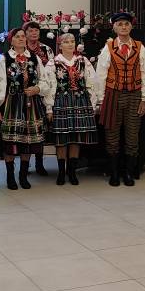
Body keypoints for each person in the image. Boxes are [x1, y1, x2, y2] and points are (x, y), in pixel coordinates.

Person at [94, 11, 145, 187]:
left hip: (134, 95)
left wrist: (143, 98)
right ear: (114, 27)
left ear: (131, 27)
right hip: (113, 95)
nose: (123, 27)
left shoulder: (139, 47)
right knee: (112, 134)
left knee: (132, 135)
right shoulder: (109, 47)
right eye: (120, 24)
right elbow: (100, 75)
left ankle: (129, 173)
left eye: (126, 24)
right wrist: (101, 100)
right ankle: (114, 173)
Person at [0, 27, 54, 190]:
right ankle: (10, 176)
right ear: (11, 40)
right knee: (10, 142)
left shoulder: (34, 58)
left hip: (31, 103)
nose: (21, 39)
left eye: (23, 36)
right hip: (11, 103)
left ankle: (23, 175)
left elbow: (44, 80)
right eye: (17, 36)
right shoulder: (3, 59)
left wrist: (37, 89)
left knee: (28, 141)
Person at [51, 33, 98, 186]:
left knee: (76, 138)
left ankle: (72, 172)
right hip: (61, 102)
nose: (70, 44)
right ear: (60, 45)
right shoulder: (53, 63)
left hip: (80, 101)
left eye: (72, 41)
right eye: (66, 42)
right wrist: (49, 107)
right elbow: (50, 86)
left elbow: (92, 82)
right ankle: (61, 172)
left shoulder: (83, 61)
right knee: (61, 139)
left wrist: (93, 103)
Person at [24, 20, 55, 175]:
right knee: (26, 129)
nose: (34, 33)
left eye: (36, 30)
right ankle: (25, 163)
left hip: (43, 91)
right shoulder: (21, 48)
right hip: (26, 93)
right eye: (30, 30)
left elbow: (51, 71)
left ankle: (39, 163)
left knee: (40, 128)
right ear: (25, 33)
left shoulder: (46, 49)